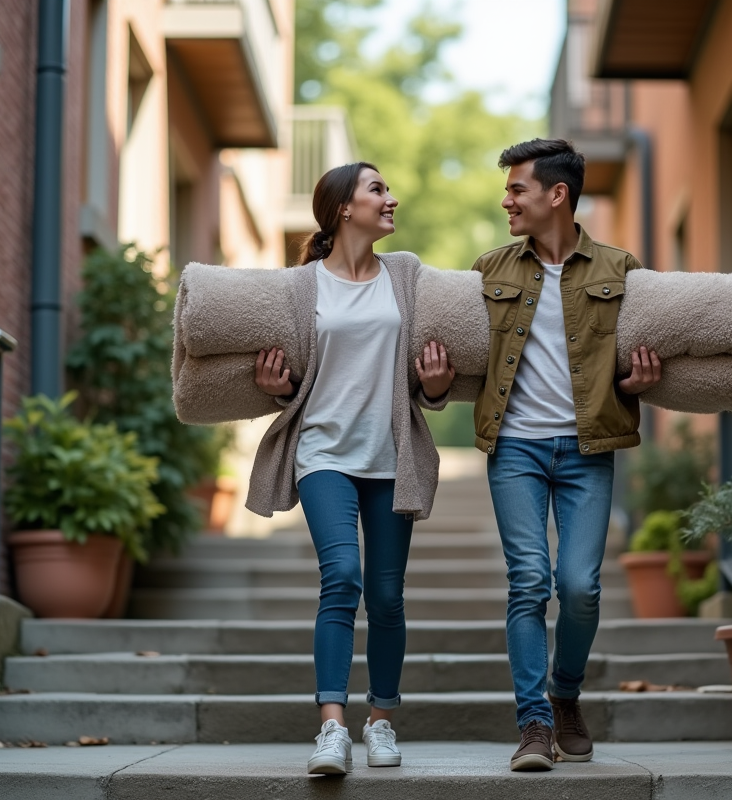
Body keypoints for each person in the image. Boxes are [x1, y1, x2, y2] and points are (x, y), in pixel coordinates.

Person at [249, 162, 454, 775]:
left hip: (390, 456)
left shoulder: (407, 275)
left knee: (387, 597)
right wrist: (276, 390)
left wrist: (436, 387)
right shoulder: (301, 285)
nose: (392, 198)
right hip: (322, 453)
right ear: (344, 208)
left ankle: (383, 720)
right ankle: (332, 729)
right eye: (378, 190)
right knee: (342, 576)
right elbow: (296, 374)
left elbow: (427, 372)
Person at [470, 138, 662, 771]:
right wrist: (435, 384)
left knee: (580, 587)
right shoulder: (488, 270)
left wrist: (639, 381)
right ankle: (533, 724)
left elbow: (637, 362)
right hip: (516, 447)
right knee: (527, 582)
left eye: (516, 189)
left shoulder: (621, 268)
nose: (507, 201)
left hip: (589, 447)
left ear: (557, 195)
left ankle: (566, 693)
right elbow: (464, 364)